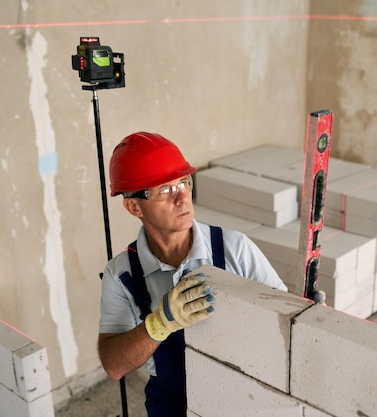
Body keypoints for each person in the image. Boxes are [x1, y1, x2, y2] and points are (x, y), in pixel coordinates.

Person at [97, 131, 287, 416]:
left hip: (240, 393)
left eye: (184, 182)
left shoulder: (234, 249)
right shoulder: (121, 273)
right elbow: (114, 365)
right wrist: (159, 324)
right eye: (165, 190)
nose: (182, 197)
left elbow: (284, 323)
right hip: (172, 402)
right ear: (134, 206)